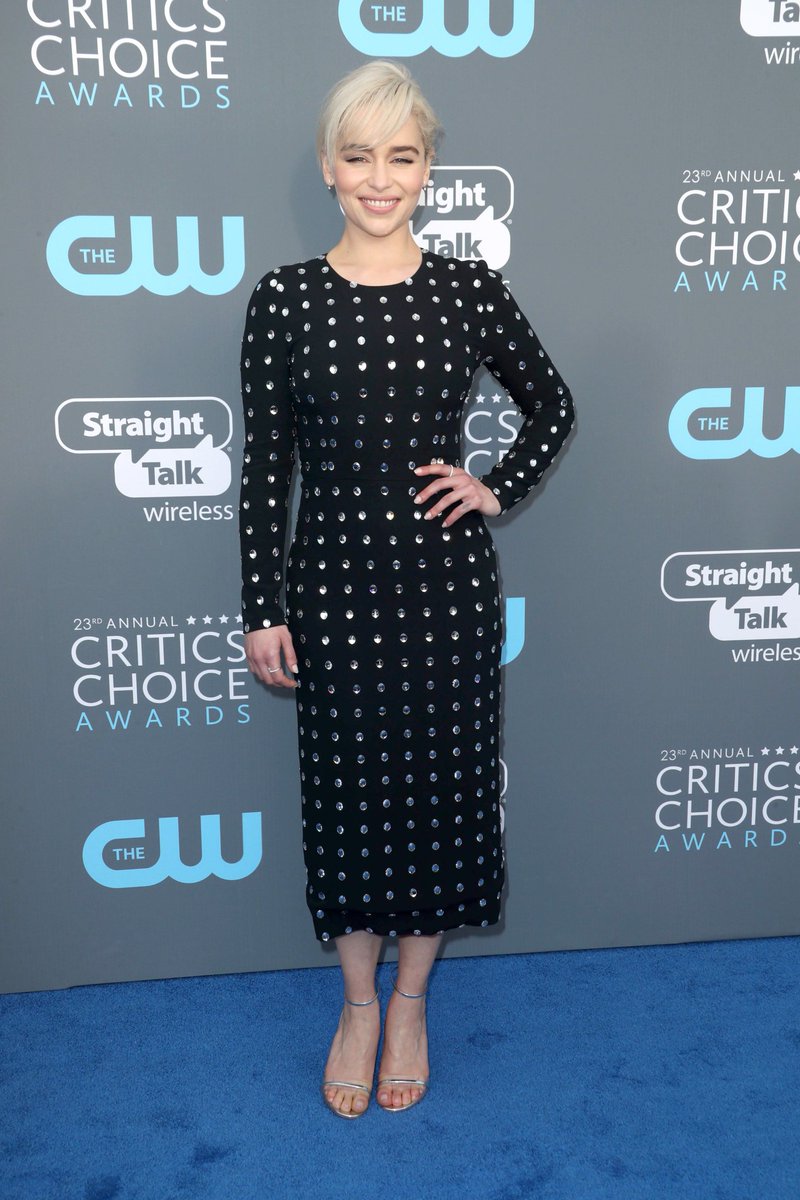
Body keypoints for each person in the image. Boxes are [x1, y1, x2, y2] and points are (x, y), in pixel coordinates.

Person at [238, 59, 575, 1118]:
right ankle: (355, 1005)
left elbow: (552, 404)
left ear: (427, 169)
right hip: (332, 594)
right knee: (345, 803)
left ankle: (412, 1002)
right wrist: (261, 607)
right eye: (358, 156)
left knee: (441, 799)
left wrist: (492, 485)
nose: (379, 178)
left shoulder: (468, 290)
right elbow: (265, 469)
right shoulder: (285, 299)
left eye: (401, 156)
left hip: (443, 593)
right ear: (328, 168)